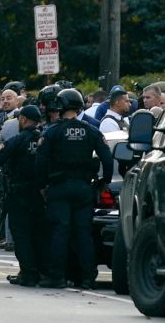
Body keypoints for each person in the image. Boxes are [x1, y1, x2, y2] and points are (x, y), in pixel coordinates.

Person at [36, 89, 113, 289]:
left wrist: (42, 186)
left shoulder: (52, 131)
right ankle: (87, 278)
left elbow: (40, 161)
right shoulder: (91, 130)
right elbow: (107, 158)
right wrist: (103, 182)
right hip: (84, 187)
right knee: (83, 233)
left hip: (59, 187)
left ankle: (57, 276)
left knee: (60, 232)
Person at [0, 105, 44, 286]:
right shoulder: (45, 139)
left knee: (21, 234)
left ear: (23, 120)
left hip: (19, 193)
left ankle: (28, 273)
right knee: (39, 234)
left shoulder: (17, 140)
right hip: (41, 194)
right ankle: (41, 271)